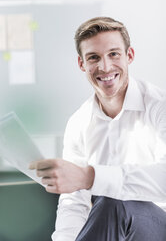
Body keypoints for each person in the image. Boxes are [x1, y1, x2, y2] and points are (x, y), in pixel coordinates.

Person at [29, 17, 166, 240]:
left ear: (129, 56)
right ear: (82, 64)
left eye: (114, 54)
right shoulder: (78, 122)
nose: (105, 67)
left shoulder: (160, 106)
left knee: (113, 200)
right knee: (103, 203)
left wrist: (90, 177)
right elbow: (74, 202)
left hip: (159, 224)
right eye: (94, 57)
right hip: (113, 229)